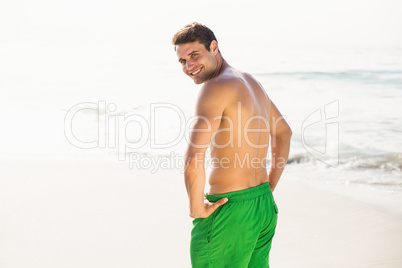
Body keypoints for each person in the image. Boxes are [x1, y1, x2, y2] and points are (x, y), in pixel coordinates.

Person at [172, 22, 292, 267]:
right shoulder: (249, 82)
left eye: (194, 56)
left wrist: (196, 208)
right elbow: (284, 133)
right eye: (182, 61)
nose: (189, 66)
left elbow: (195, 157)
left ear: (214, 47)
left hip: (230, 210)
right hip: (262, 207)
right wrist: (268, 186)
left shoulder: (215, 87)